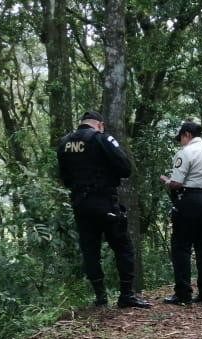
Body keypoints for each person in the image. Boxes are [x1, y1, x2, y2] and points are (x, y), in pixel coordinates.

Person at [56, 110, 151, 308]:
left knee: (90, 250)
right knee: (123, 246)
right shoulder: (101, 138)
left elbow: (64, 177)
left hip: (80, 204)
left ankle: (100, 297)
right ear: (99, 124)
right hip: (104, 202)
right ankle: (126, 295)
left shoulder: (64, 142)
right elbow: (125, 167)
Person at [159, 120, 202, 305]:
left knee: (181, 247)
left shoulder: (185, 152)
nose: (180, 142)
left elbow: (177, 182)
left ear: (187, 134)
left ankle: (183, 293)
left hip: (190, 201)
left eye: (181, 138)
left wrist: (166, 181)